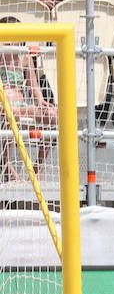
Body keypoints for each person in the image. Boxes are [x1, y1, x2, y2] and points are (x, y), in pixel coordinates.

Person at [0, 17, 57, 181]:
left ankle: (39, 165)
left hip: (20, 104)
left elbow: (33, 85)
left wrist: (41, 101)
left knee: (52, 115)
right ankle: (7, 164)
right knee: (11, 113)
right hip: (4, 105)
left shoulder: (24, 57)